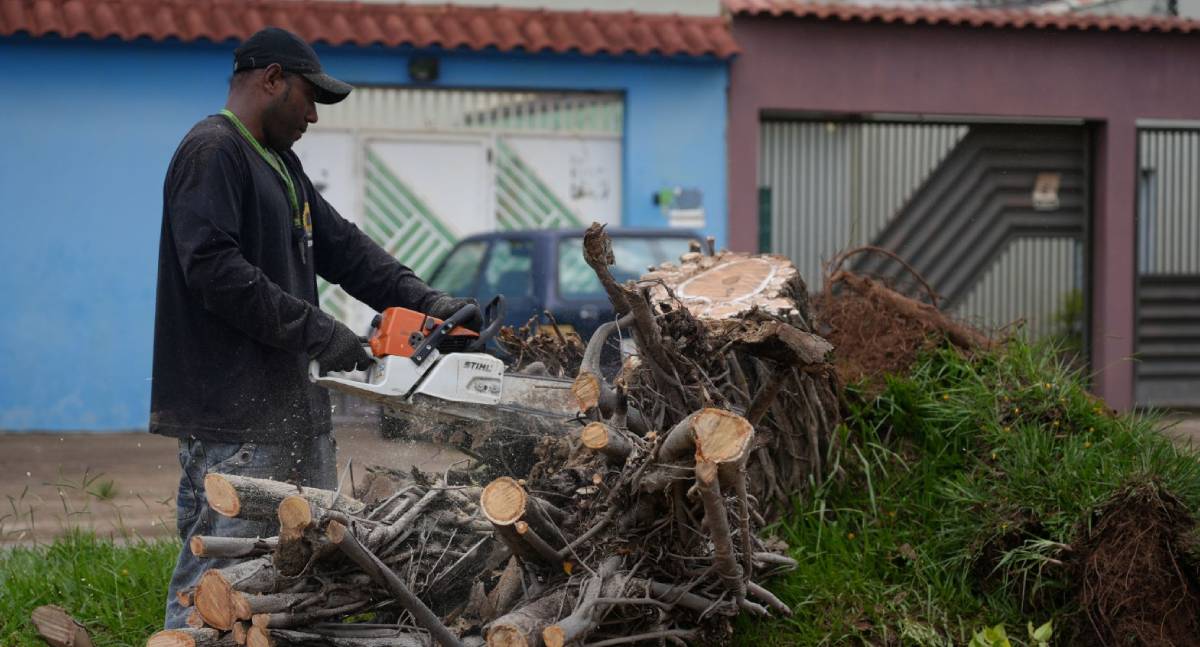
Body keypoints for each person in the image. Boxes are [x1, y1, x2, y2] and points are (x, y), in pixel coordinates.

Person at [150, 27, 477, 628]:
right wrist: (322, 332)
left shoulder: (281, 165)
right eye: (309, 98)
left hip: (291, 410)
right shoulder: (212, 152)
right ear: (271, 79)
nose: (314, 116)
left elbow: (346, 250)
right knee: (222, 581)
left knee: (296, 583)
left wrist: (429, 302)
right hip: (235, 418)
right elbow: (215, 272)